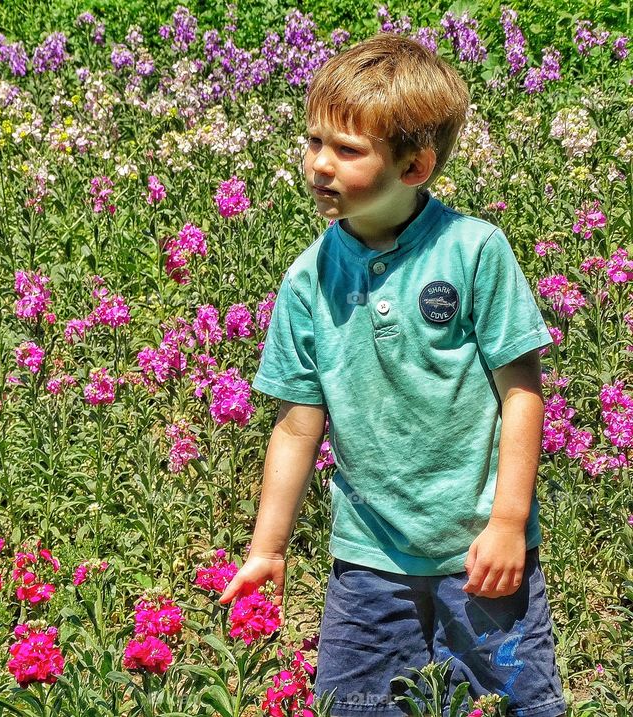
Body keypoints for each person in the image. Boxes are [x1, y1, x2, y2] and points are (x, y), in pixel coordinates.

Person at [218, 33, 566, 717]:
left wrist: (507, 521)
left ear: (415, 166)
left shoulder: (473, 252)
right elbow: (295, 427)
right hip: (368, 562)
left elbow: (521, 392)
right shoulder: (306, 279)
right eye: (314, 141)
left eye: (346, 150)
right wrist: (268, 547)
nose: (319, 164)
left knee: (517, 705)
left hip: (482, 557)